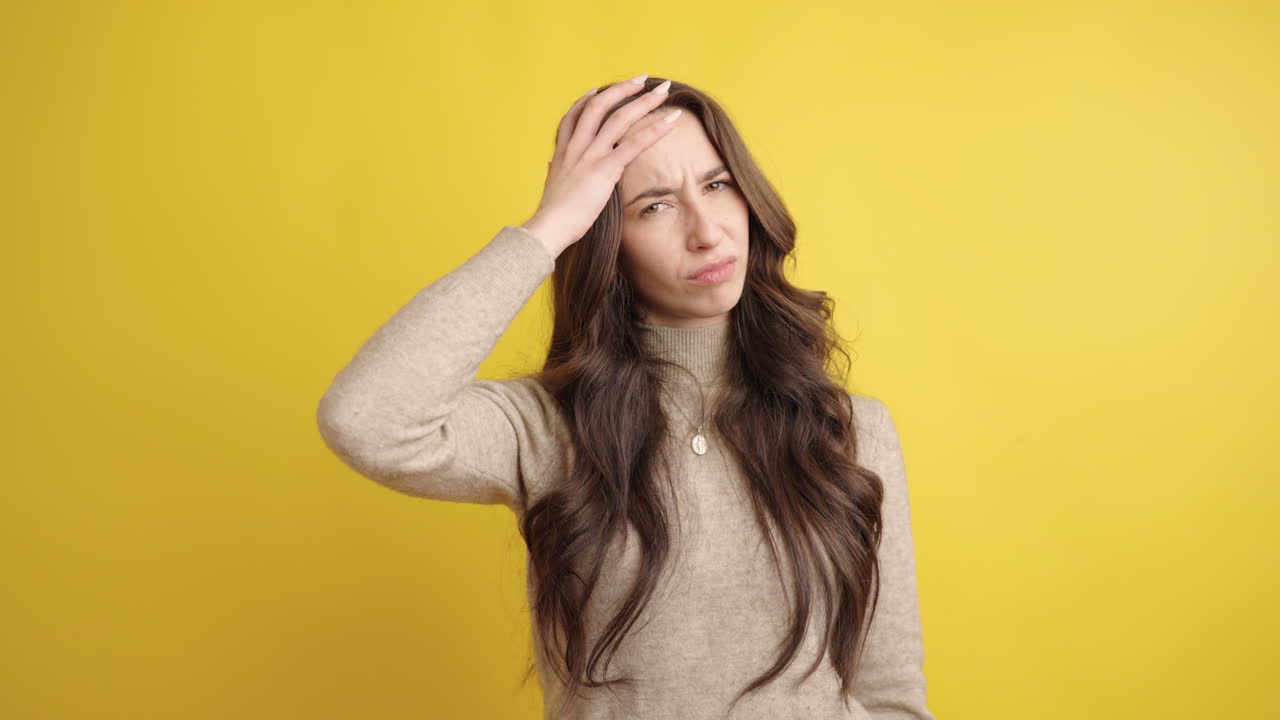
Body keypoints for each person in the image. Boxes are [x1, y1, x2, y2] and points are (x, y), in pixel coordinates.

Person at [316, 73, 935, 720]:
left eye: (718, 185)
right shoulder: (549, 427)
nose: (707, 231)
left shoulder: (852, 429)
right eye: (655, 206)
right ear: (606, 241)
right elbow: (366, 418)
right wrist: (549, 227)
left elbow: (891, 696)